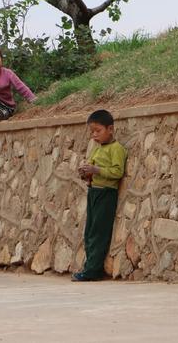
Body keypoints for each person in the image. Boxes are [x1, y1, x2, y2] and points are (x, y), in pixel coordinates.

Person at [73, 109, 127, 282]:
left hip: (106, 194)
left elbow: (117, 172)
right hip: (93, 192)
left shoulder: (116, 149)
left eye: (98, 131)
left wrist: (96, 170)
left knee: (98, 232)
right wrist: (86, 173)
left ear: (110, 129)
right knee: (89, 232)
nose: (94, 135)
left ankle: (93, 270)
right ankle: (90, 266)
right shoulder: (97, 149)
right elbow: (93, 170)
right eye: (92, 132)